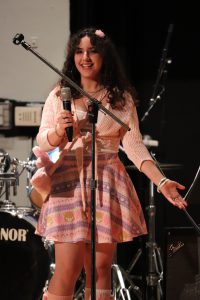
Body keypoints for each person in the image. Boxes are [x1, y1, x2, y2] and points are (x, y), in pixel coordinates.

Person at [33, 27, 187, 300]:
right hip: (69, 181)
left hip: (106, 181)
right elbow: (43, 142)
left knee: (101, 267)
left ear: (105, 56)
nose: (86, 58)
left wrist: (161, 182)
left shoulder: (120, 98)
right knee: (66, 269)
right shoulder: (60, 94)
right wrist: (59, 131)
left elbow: (134, 145)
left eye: (92, 51)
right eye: (79, 51)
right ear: (73, 56)